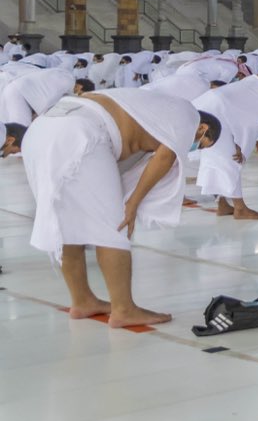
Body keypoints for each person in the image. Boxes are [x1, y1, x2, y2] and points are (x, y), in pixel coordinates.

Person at [22, 88, 217, 328]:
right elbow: (165, 158)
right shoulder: (189, 116)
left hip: (42, 130)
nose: (194, 147)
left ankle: (83, 300)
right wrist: (132, 204)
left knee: (67, 222)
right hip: (81, 132)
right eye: (202, 143)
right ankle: (124, 309)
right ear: (202, 129)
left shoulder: (154, 111)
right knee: (114, 225)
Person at [192, 74, 258, 219]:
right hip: (217, 113)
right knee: (232, 160)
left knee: (212, 159)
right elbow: (251, 123)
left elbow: (256, 78)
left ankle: (222, 204)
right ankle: (240, 209)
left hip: (206, 105)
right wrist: (240, 146)